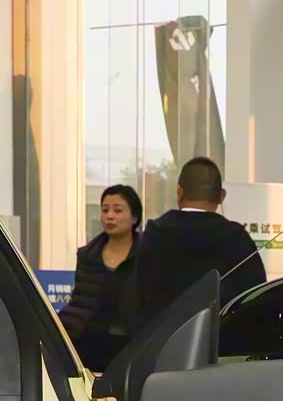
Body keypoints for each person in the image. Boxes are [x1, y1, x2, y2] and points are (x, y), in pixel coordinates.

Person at [135, 156, 265, 329]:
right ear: (221, 196)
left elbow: (137, 297)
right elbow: (255, 299)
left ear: (179, 192)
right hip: (220, 340)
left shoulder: (154, 233)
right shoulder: (236, 238)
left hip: (162, 340)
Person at [60, 183, 142, 371]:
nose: (109, 216)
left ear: (134, 217)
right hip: (90, 346)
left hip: (132, 347)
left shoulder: (147, 255)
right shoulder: (87, 256)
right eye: (105, 210)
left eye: (118, 210)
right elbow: (79, 303)